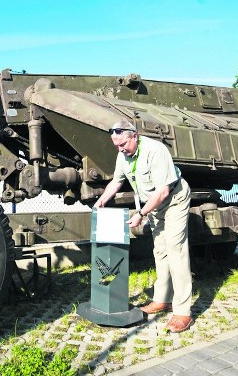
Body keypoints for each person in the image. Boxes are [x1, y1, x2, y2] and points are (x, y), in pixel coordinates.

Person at [94, 120, 194, 333]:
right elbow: (117, 181)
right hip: (155, 206)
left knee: (176, 249)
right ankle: (162, 299)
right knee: (160, 250)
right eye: (117, 146)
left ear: (134, 136)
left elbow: (163, 192)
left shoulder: (155, 151)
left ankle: (183, 311)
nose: (120, 149)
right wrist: (103, 199)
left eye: (123, 144)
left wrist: (140, 214)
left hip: (174, 200)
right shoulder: (124, 155)